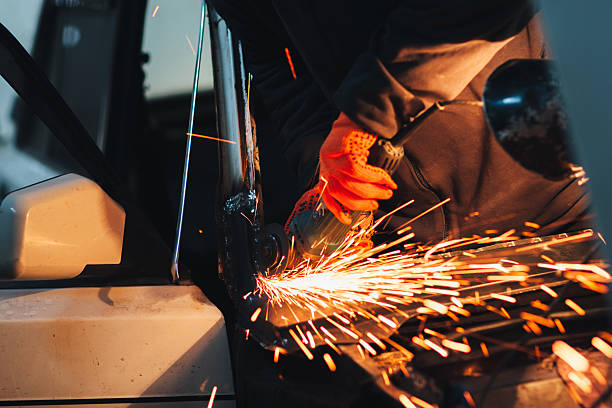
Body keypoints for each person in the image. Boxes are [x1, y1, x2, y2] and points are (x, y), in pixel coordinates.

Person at [208, 0, 590, 244]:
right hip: (411, 251)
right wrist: (327, 184)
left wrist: (364, 117)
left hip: (564, 217)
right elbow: (287, 82)